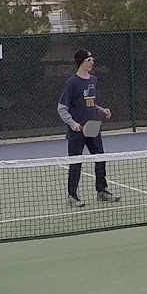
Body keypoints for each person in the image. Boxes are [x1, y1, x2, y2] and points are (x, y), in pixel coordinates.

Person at [58, 49, 118, 208]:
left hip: (93, 127)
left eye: (92, 59)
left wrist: (101, 110)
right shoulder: (71, 83)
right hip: (77, 131)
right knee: (76, 163)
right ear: (81, 62)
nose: (92, 62)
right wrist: (72, 123)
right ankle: (72, 195)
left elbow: (89, 103)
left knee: (100, 159)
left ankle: (102, 191)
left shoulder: (93, 80)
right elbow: (62, 108)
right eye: (89, 60)